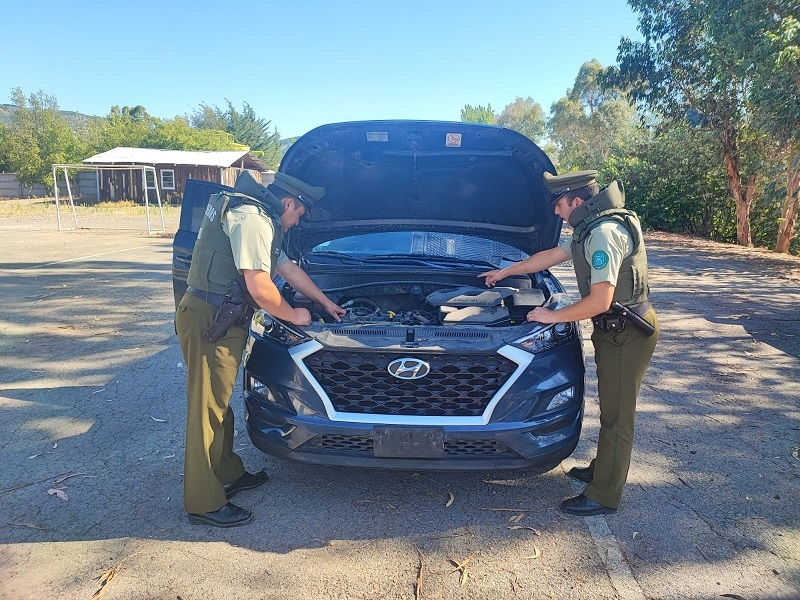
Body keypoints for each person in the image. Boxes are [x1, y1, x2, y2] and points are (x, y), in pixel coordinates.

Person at [480, 170, 659, 516]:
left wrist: (552, 316)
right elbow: (549, 256)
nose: (556, 213)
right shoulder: (588, 229)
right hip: (615, 331)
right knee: (611, 407)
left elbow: (600, 301)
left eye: (559, 205)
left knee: (617, 416)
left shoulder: (604, 234)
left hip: (627, 333)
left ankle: (604, 493)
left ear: (577, 202)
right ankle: (602, 469)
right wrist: (504, 273)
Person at [175, 170, 346, 527]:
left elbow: (288, 268)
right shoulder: (252, 219)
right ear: (289, 203)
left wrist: (325, 303)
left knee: (217, 403)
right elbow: (260, 287)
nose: (297, 222)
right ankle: (204, 502)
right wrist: (294, 314)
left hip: (221, 316)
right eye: (298, 214)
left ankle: (228, 473)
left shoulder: (261, 217)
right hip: (212, 319)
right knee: (207, 407)